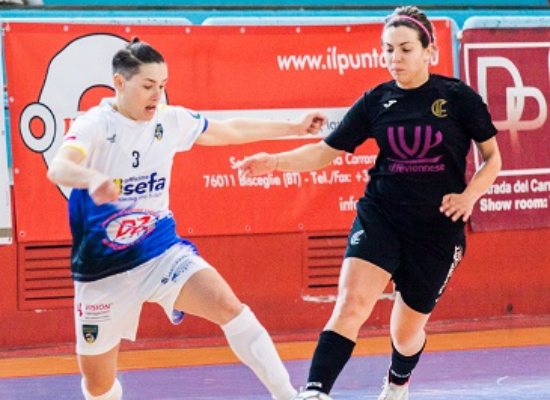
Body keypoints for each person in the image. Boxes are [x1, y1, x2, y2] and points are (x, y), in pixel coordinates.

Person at [238, 6, 501, 400]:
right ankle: (315, 391)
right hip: (382, 215)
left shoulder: (457, 97)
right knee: (351, 304)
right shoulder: (376, 101)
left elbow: (492, 159)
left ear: (429, 52)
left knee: (406, 333)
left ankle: (397, 383)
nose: (395, 58)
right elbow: (324, 152)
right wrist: (273, 162)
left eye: (406, 49)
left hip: (436, 228)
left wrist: (469, 196)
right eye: (388, 49)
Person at [46, 38, 326, 400]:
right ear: (119, 83)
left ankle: (287, 396)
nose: (157, 95)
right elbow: (59, 167)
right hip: (102, 269)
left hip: (159, 250)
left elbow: (229, 130)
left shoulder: (170, 120)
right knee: (98, 385)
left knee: (229, 307)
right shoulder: (96, 124)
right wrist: (91, 179)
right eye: (148, 86)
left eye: (162, 85)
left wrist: (294, 127)